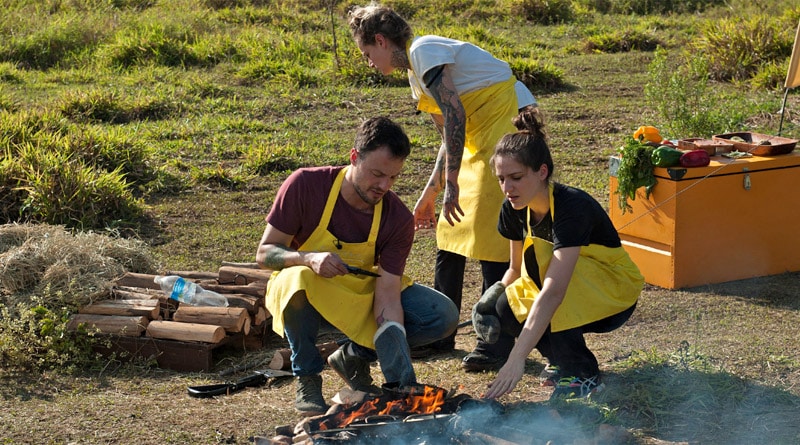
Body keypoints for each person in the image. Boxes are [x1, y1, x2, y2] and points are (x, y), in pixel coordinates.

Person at [348, 4, 536, 363]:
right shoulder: (415, 78)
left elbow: (455, 113)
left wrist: (452, 183)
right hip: (472, 140)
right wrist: (431, 193)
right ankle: (441, 335)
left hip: (504, 124)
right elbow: (448, 137)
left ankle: (494, 343)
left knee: (490, 234)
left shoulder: (423, 50)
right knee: (449, 233)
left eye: (367, 53)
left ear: (381, 40)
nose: (369, 61)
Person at [256, 117, 459, 415]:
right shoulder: (305, 185)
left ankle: (352, 355)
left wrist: (401, 381)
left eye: (393, 178)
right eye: (377, 174)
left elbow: (388, 294)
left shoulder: (398, 218)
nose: (383, 186)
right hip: (307, 292)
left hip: (362, 294)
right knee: (297, 277)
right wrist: (308, 258)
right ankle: (307, 377)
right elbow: (264, 253)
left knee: (442, 314)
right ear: (354, 157)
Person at [473, 108, 643, 399]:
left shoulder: (571, 207)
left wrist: (516, 358)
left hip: (611, 293)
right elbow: (515, 270)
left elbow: (554, 291)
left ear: (542, 172)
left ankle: (583, 373)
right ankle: (562, 361)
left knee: (551, 291)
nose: (507, 188)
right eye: (501, 179)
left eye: (515, 177)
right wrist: (492, 299)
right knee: (506, 307)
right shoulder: (512, 209)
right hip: (567, 291)